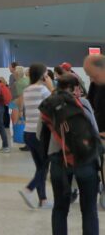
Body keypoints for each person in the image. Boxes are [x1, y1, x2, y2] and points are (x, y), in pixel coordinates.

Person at [39, 75, 100, 235]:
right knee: (89, 209)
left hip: (59, 161)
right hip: (85, 161)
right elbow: (93, 129)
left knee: (60, 208)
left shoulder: (48, 104)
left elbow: (40, 134)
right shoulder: (84, 103)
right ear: (75, 88)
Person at [17, 63, 53, 209]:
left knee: (40, 167)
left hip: (28, 133)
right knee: (44, 166)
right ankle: (28, 189)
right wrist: (50, 85)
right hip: (40, 134)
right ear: (43, 75)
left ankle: (43, 199)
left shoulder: (27, 90)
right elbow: (55, 101)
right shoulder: (43, 89)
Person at [82, 54, 105, 138]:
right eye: (89, 76)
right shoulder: (95, 85)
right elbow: (89, 105)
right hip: (98, 133)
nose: (92, 79)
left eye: (94, 76)